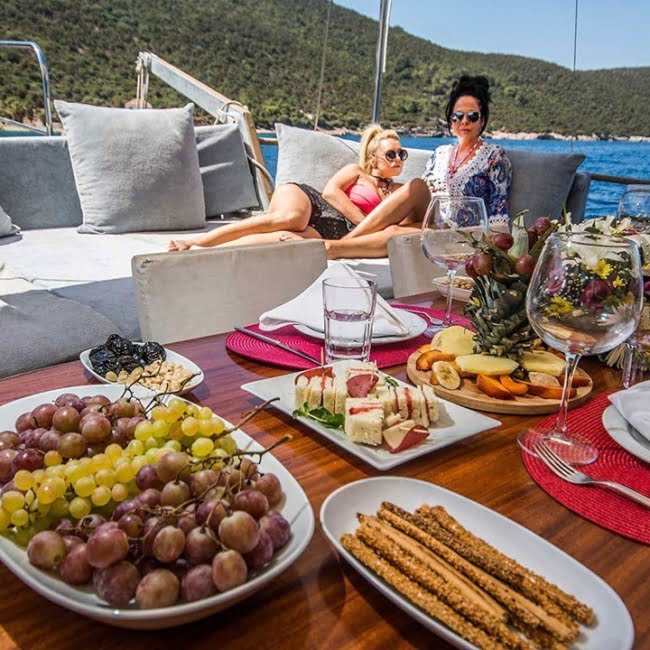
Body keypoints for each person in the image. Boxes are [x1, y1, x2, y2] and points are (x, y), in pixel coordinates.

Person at [326, 75, 512, 258]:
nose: (464, 121)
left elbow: (499, 218)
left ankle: (335, 248)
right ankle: (339, 245)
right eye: (457, 116)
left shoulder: (494, 157)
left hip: (461, 235)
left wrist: (492, 255)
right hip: (430, 222)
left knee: (396, 228)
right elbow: (421, 197)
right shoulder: (440, 154)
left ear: (482, 120)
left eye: (472, 116)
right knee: (414, 192)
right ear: (450, 119)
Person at [168, 124, 415, 251]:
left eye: (401, 154)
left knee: (284, 241)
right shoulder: (356, 172)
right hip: (312, 202)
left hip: (334, 231)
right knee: (291, 219)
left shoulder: (399, 191)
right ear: (373, 159)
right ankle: (200, 241)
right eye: (391, 154)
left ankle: (205, 252)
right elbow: (331, 193)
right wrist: (365, 225)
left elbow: (397, 227)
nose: (398, 159)